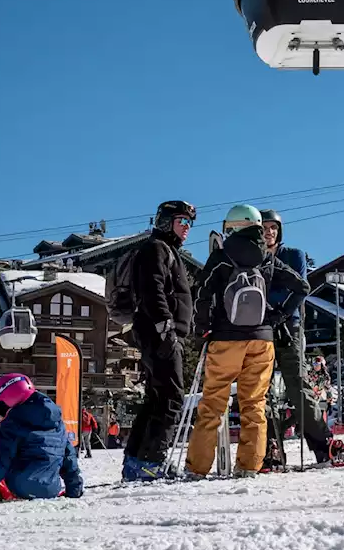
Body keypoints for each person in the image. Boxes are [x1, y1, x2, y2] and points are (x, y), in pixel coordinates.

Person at [188, 205, 310, 479]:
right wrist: (278, 316)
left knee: (213, 404)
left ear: (232, 227)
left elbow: (203, 295)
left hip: (225, 339)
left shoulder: (221, 257)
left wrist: (202, 329)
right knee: (254, 405)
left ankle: (198, 468)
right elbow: (302, 287)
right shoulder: (267, 258)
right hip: (262, 340)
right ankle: (249, 466)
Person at [259, 208, 342, 467]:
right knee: (263, 391)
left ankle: (323, 444)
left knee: (299, 388)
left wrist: (280, 312)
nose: (269, 231)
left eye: (273, 227)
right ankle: (270, 448)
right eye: (264, 227)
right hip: (260, 330)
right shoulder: (252, 259)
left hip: (289, 328)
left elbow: (299, 290)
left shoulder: (293, 255)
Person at [122, 200, 196, 482]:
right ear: (166, 221)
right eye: (182, 221)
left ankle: (135, 461)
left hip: (160, 332)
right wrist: (165, 328)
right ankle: (151, 461)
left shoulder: (167, 250)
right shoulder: (156, 249)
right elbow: (152, 290)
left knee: (156, 397)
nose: (187, 228)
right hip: (160, 332)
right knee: (171, 397)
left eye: (190, 223)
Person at [0, 373, 83, 505]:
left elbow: (0, 464)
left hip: (20, 486)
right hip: (51, 489)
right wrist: (74, 489)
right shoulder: (57, 422)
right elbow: (69, 456)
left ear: (8, 401)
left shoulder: (12, 424)